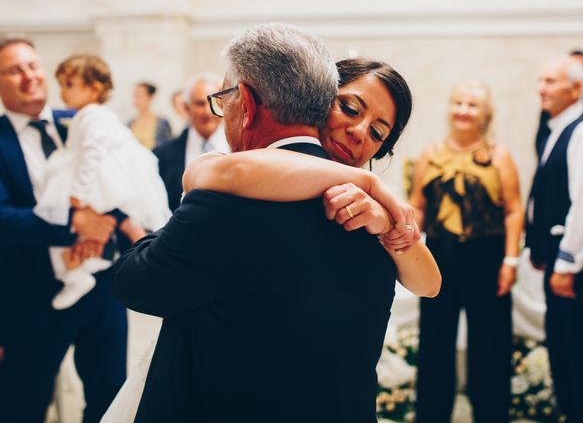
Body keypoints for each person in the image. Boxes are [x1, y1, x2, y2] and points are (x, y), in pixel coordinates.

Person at [110, 23, 412, 422]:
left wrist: (143, 232)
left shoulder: (231, 199)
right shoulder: (375, 219)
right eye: (351, 109)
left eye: (224, 99)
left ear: (247, 103)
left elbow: (135, 283)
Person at [0, 37, 127, 422]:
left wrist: (101, 230)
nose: (29, 76)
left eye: (33, 66)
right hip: (30, 299)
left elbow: (119, 176)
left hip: (100, 288)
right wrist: (73, 226)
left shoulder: (78, 119)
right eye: (14, 70)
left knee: (110, 402)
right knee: (22, 404)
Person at [408, 81, 523, 423]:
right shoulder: (429, 155)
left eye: (472, 105)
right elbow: (417, 205)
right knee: (434, 343)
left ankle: (490, 414)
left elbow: (514, 210)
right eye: (458, 103)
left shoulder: (499, 157)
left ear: (484, 114)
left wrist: (511, 260)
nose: (463, 110)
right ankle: (431, 415)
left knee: (490, 344)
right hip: (439, 256)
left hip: (487, 256)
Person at [33, 54, 171, 309]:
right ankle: (80, 272)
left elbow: (92, 153)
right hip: (100, 175)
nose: (62, 92)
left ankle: (76, 274)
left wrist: (78, 192)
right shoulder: (91, 114)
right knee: (83, 229)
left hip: (100, 178)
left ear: (94, 88)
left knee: (56, 213)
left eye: (69, 85)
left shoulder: (92, 115)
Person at [526, 56, 583, 423]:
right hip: (559, 264)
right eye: (541, 80)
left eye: (551, 81)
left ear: (576, 88)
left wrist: (567, 262)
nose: (541, 88)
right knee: (563, 353)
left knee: (580, 357)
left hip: (578, 270)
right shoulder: (556, 129)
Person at [153, 73, 230, 211]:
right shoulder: (161, 156)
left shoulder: (245, 150)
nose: (208, 111)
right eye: (200, 103)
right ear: (187, 108)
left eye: (214, 102)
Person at [128, 81, 172, 149]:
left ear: (150, 97)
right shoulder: (130, 123)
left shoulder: (162, 123)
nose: (136, 100)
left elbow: (167, 148)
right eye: (135, 96)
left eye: (139, 96)